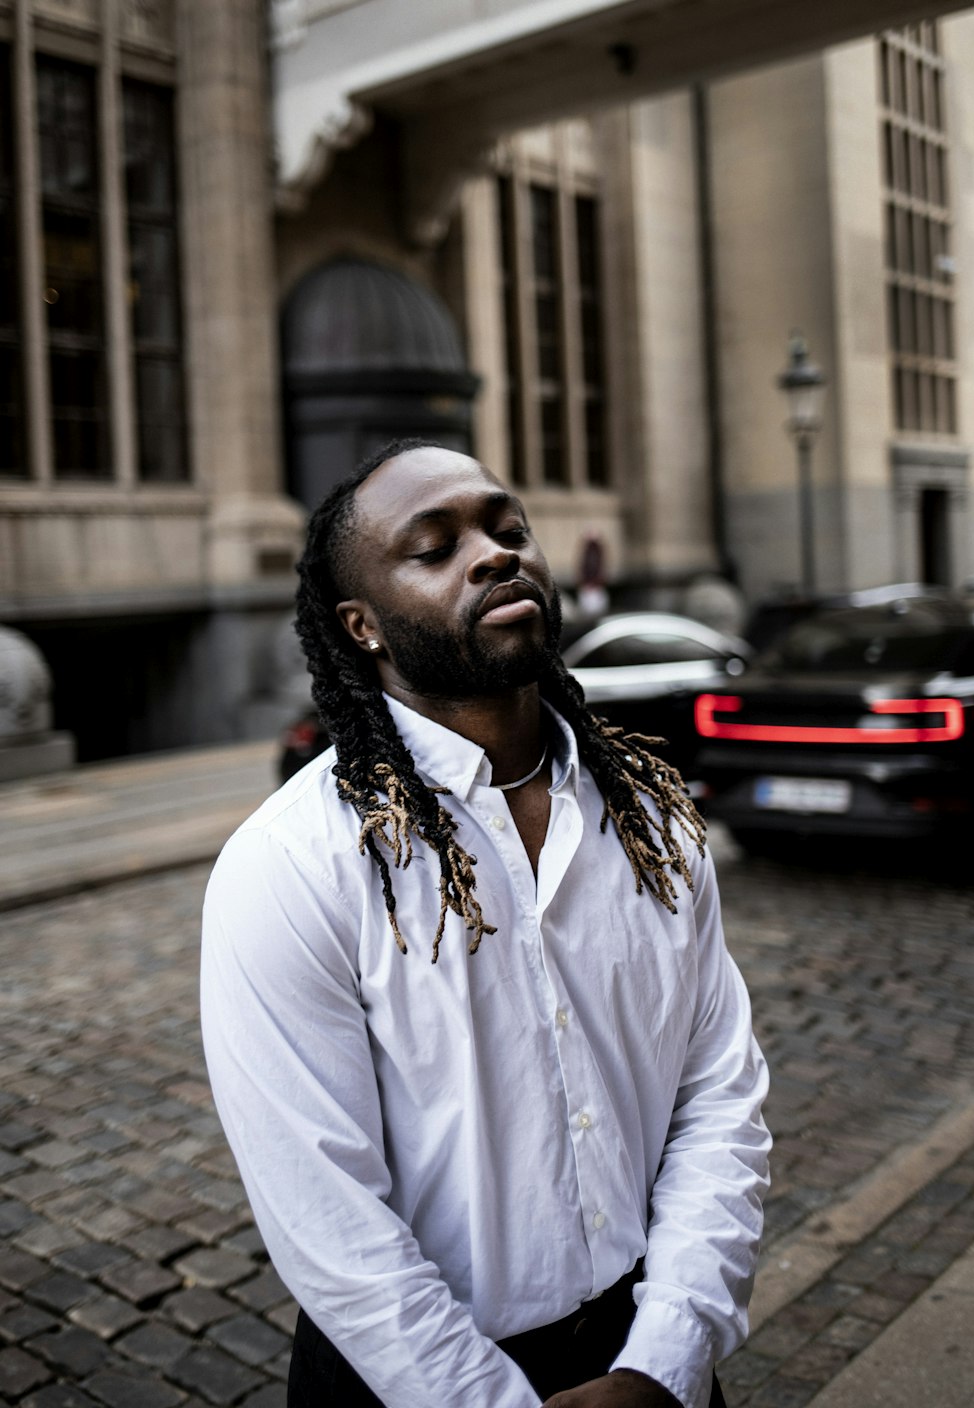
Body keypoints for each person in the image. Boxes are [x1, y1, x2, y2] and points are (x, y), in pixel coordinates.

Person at [201, 440, 770, 1408]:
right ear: (362, 625)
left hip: (652, 1356)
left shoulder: (652, 815)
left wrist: (664, 1355)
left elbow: (716, 1093)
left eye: (507, 530)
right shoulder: (293, 864)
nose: (495, 553)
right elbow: (324, 1211)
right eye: (434, 546)